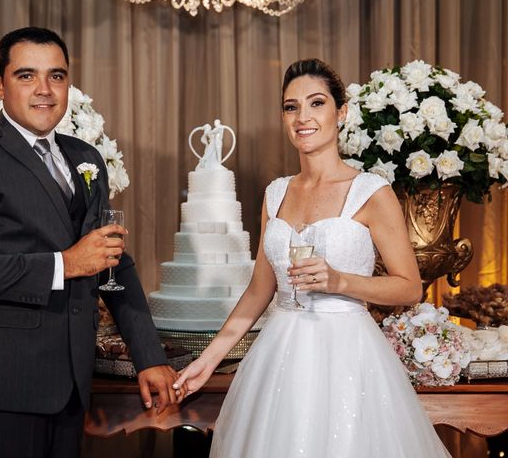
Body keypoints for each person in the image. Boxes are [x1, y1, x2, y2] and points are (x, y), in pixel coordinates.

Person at [0, 26, 185, 458]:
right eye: (27, 76)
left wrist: (149, 355)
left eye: (57, 76)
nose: (44, 90)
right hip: (0, 386)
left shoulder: (86, 158)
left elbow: (111, 261)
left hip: (70, 384)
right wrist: (65, 264)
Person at [173, 58, 452, 457]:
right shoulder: (275, 194)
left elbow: (410, 287)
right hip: (281, 357)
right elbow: (259, 290)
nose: (303, 117)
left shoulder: (371, 191)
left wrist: (341, 281)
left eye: (316, 103)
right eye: (291, 106)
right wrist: (209, 359)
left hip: (350, 358)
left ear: (341, 112)